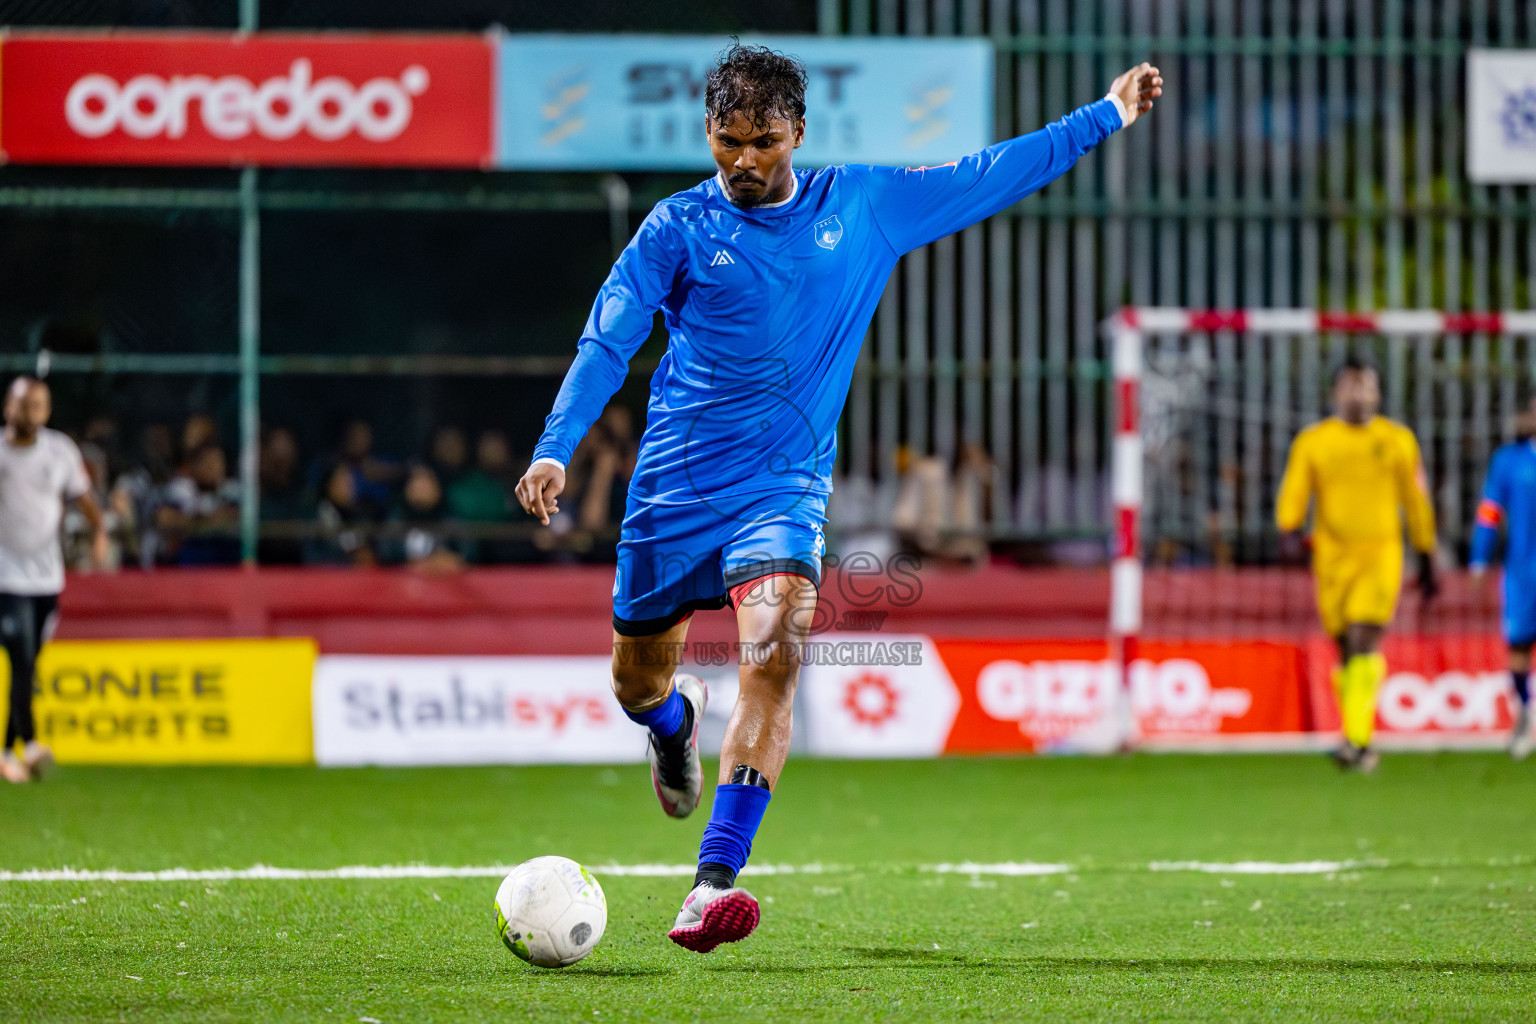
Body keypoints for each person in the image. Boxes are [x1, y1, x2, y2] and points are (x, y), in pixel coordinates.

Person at [515, 42, 1162, 952]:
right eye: (728, 140)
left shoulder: (859, 204)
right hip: (673, 488)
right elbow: (605, 343)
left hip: (781, 488)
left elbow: (990, 172)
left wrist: (1106, 113)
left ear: (799, 133)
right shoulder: (674, 228)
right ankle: (672, 727)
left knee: (775, 650)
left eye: (764, 141)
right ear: (708, 132)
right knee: (636, 681)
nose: (744, 160)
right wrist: (554, 451)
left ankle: (711, 884)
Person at [1276, 356, 1438, 773]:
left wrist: (1426, 551)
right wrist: (1289, 529)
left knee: (1365, 635)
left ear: (1379, 392)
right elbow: (1295, 491)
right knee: (1345, 646)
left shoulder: (1398, 440)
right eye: (1351, 385)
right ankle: (1358, 740)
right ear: (1335, 392)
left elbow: (1415, 500)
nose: (1359, 394)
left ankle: (1357, 741)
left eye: (1367, 385)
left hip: (1382, 553)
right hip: (1331, 556)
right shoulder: (1315, 441)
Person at [0, 377, 108, 784]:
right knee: (21, 656)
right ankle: (29, 741)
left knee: (27, 666)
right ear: (7, 407)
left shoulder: (60, 451)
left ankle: (8, 754)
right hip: (6, 577)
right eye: (23, 404)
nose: (31, 412)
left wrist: (100, 532)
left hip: (47, 577)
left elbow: (84, 498)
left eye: (39, 405)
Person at [1469, 393, 1536, 759]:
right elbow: (1490, 512)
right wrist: (1479, 558)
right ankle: (1523, 717)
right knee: (1520, 647)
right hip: (1524, 571)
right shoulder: (1509, 461)